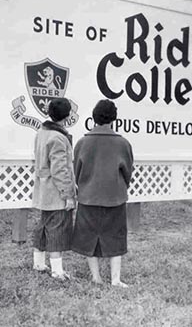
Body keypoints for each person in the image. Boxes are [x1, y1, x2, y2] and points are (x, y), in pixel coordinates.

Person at [72, 99, 134, 287]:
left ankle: (96, 277)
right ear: (114, 118)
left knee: (90, 236)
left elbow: (76, 171)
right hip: (115, 197)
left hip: (88, 197)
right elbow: (128, 171)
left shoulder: (82, 143)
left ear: (94, 117)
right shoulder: (123, 144)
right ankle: (115, 279)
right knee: (116, 236)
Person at [31, 98, 76, 281]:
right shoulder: (58, 137)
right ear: (67, 116)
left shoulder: (42, 132)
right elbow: (59, 169)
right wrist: (68, 194)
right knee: (57, 230)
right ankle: (57, 271)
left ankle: (39, 263)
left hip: (43, 190)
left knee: (43, 227)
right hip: (56, 192)